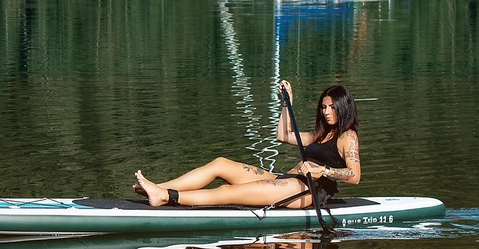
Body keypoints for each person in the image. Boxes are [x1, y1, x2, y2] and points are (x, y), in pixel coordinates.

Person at [134, 80, 360, 208]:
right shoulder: (321, 134)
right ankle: (158, 187)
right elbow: (283, 135)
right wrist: (286, 103)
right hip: (288, 180)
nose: (326, 112)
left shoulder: (346, 137)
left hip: (308, 191)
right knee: (221, 164)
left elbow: (355, 176)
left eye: (331, 107)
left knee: (227, 191)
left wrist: (324, 170)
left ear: (343, 108)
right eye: (323, 107)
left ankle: (165, 197)